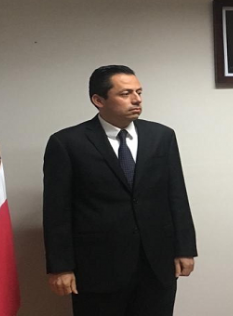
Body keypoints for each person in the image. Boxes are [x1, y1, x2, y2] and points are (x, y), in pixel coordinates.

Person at [43, 65, 197, 316]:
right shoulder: (67, 143)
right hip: (97, 267)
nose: (137, 100)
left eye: (139, 92)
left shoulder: (161, 136)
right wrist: (61, 267)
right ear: (98, 100)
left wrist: (185, 249)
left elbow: (176, 195)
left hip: (156, 264)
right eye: (125, 94)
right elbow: (56, 210)